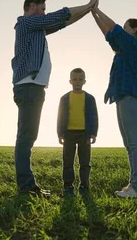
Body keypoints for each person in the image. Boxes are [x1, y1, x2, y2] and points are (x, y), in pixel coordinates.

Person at [11, 0, 100, 197]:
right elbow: (60, 15)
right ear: (32, 7)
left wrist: (87, 11)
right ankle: (26, 186)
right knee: (26, 137)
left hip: (33, 88)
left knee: (27, 136)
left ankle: (26, 185)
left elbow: (63, 22)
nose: (44, 12)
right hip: (29, 87)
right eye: (42, 8)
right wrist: (87, 4)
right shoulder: (26, 23)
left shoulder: (37, 29)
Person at [90, 2, 137, 199]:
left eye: (126, 27)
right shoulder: (124, 47)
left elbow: (113, 27)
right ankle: (133, 185)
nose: (123, 30)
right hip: (123, 96)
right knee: (129, 144)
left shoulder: (134, 45)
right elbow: (108, 34)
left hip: (131, 96)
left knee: (135, 143)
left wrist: (97, 9)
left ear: (134, 31)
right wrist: (93, 13)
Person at [56, 68, 99, 196]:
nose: (77, 82)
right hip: (68, 134)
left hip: (84, 134)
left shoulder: (90, 98)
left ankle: (84, 185)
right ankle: (68, 186)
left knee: (85, 162)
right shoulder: (64, 98)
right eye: (74, 79)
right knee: (68, 161)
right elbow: (60, 116)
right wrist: (59, 133)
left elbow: (94, 116)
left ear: (84, 81)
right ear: (70, 81)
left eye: (80, 79)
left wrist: (94, 133)